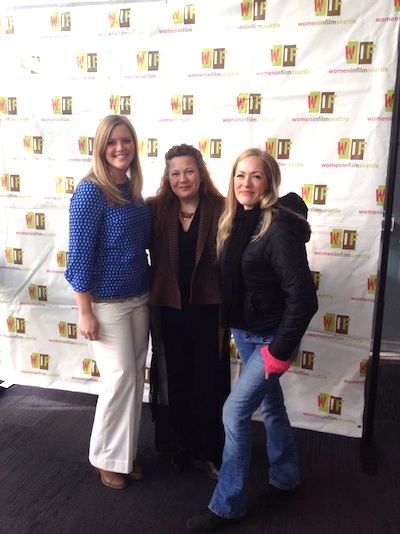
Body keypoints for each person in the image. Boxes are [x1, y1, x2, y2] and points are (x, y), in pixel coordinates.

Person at [186, 148, 318, 531]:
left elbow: (303, 298)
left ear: (269, 183)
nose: (245, 183)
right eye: (240, 175)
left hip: (272, 337)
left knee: (234, 412)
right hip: (246, 332)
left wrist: (278, 352)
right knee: (272, 406)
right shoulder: (234, 221)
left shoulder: (275, 227)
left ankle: (227, 505)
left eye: (255, 176)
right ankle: (286, 477)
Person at [65, 115, 151, 490]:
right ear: (101, 148)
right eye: (112, 142)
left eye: (126, 141)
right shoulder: (90, 192)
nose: (121, 148)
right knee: (119, 379)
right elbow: (79, 257)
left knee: (133, 379)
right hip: (105, 303)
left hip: (140, 296)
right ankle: (104, 458)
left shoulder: (133, 189)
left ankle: (124, 455)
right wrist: (85, 311)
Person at [147, 144, 231, 480]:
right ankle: (182, 444)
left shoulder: (224, 208)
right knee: (178, 380)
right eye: (175, 173)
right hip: (170, 309)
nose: (183, 179)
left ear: (201, 173)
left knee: (209, 383)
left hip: (210, 309)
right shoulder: (156, 210)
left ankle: (208, 450)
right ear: (167, 178)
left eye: (189, 171)